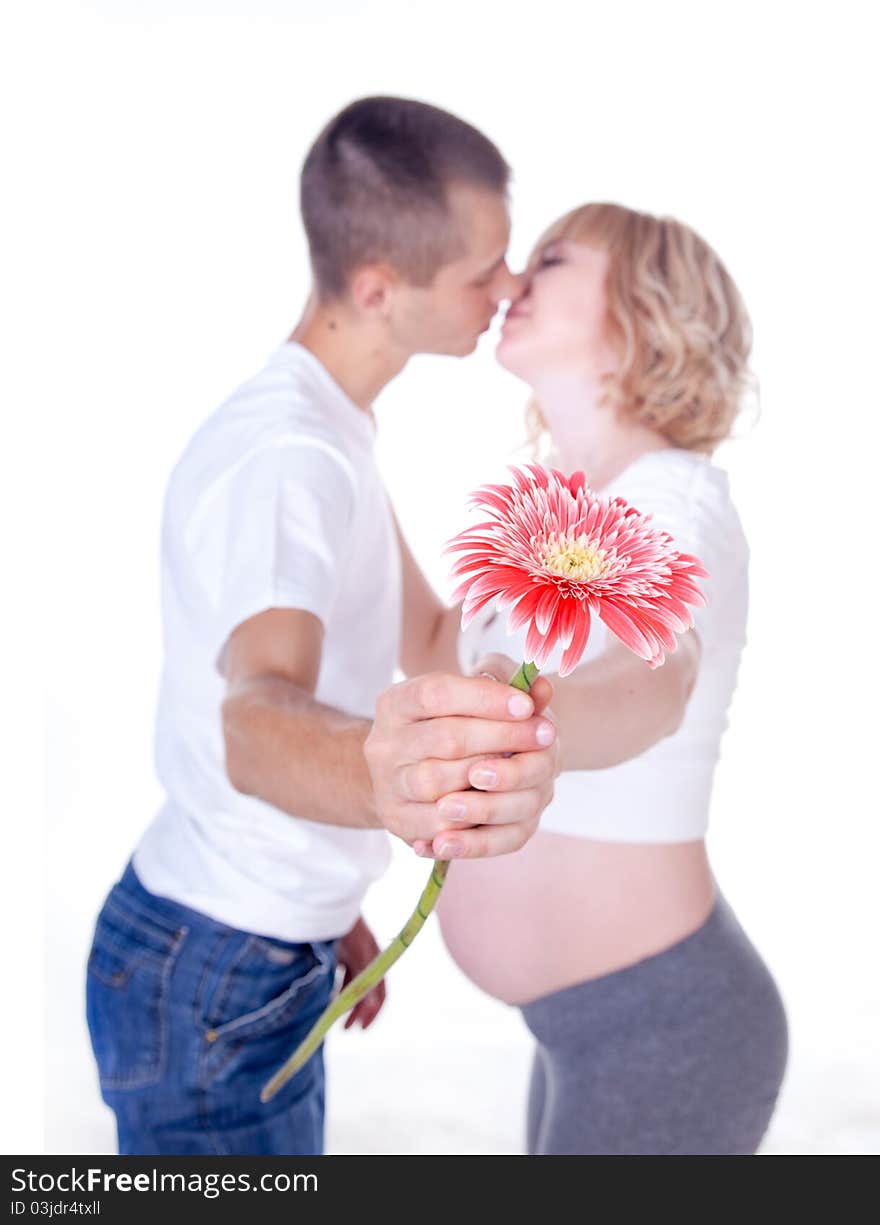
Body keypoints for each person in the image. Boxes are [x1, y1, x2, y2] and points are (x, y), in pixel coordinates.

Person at [84, 96, 560, 1157]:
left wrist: (318, 895)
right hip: (207, 975)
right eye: (483, 270)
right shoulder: (288, 459)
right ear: (378, 288)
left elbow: (432, 638)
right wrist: (382, 781)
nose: (511, 285)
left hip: (251, 947)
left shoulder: (333, 429)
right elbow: (254, 723)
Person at [415, 203, 789, 1154]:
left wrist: (536, 715)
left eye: (552, 258)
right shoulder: (555, 514)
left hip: (668, 1028)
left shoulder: (675, 495)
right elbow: (428, 644)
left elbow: (657, 670)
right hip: (591, 1027)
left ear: (642, 307)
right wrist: (342, 420)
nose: (513, 280)